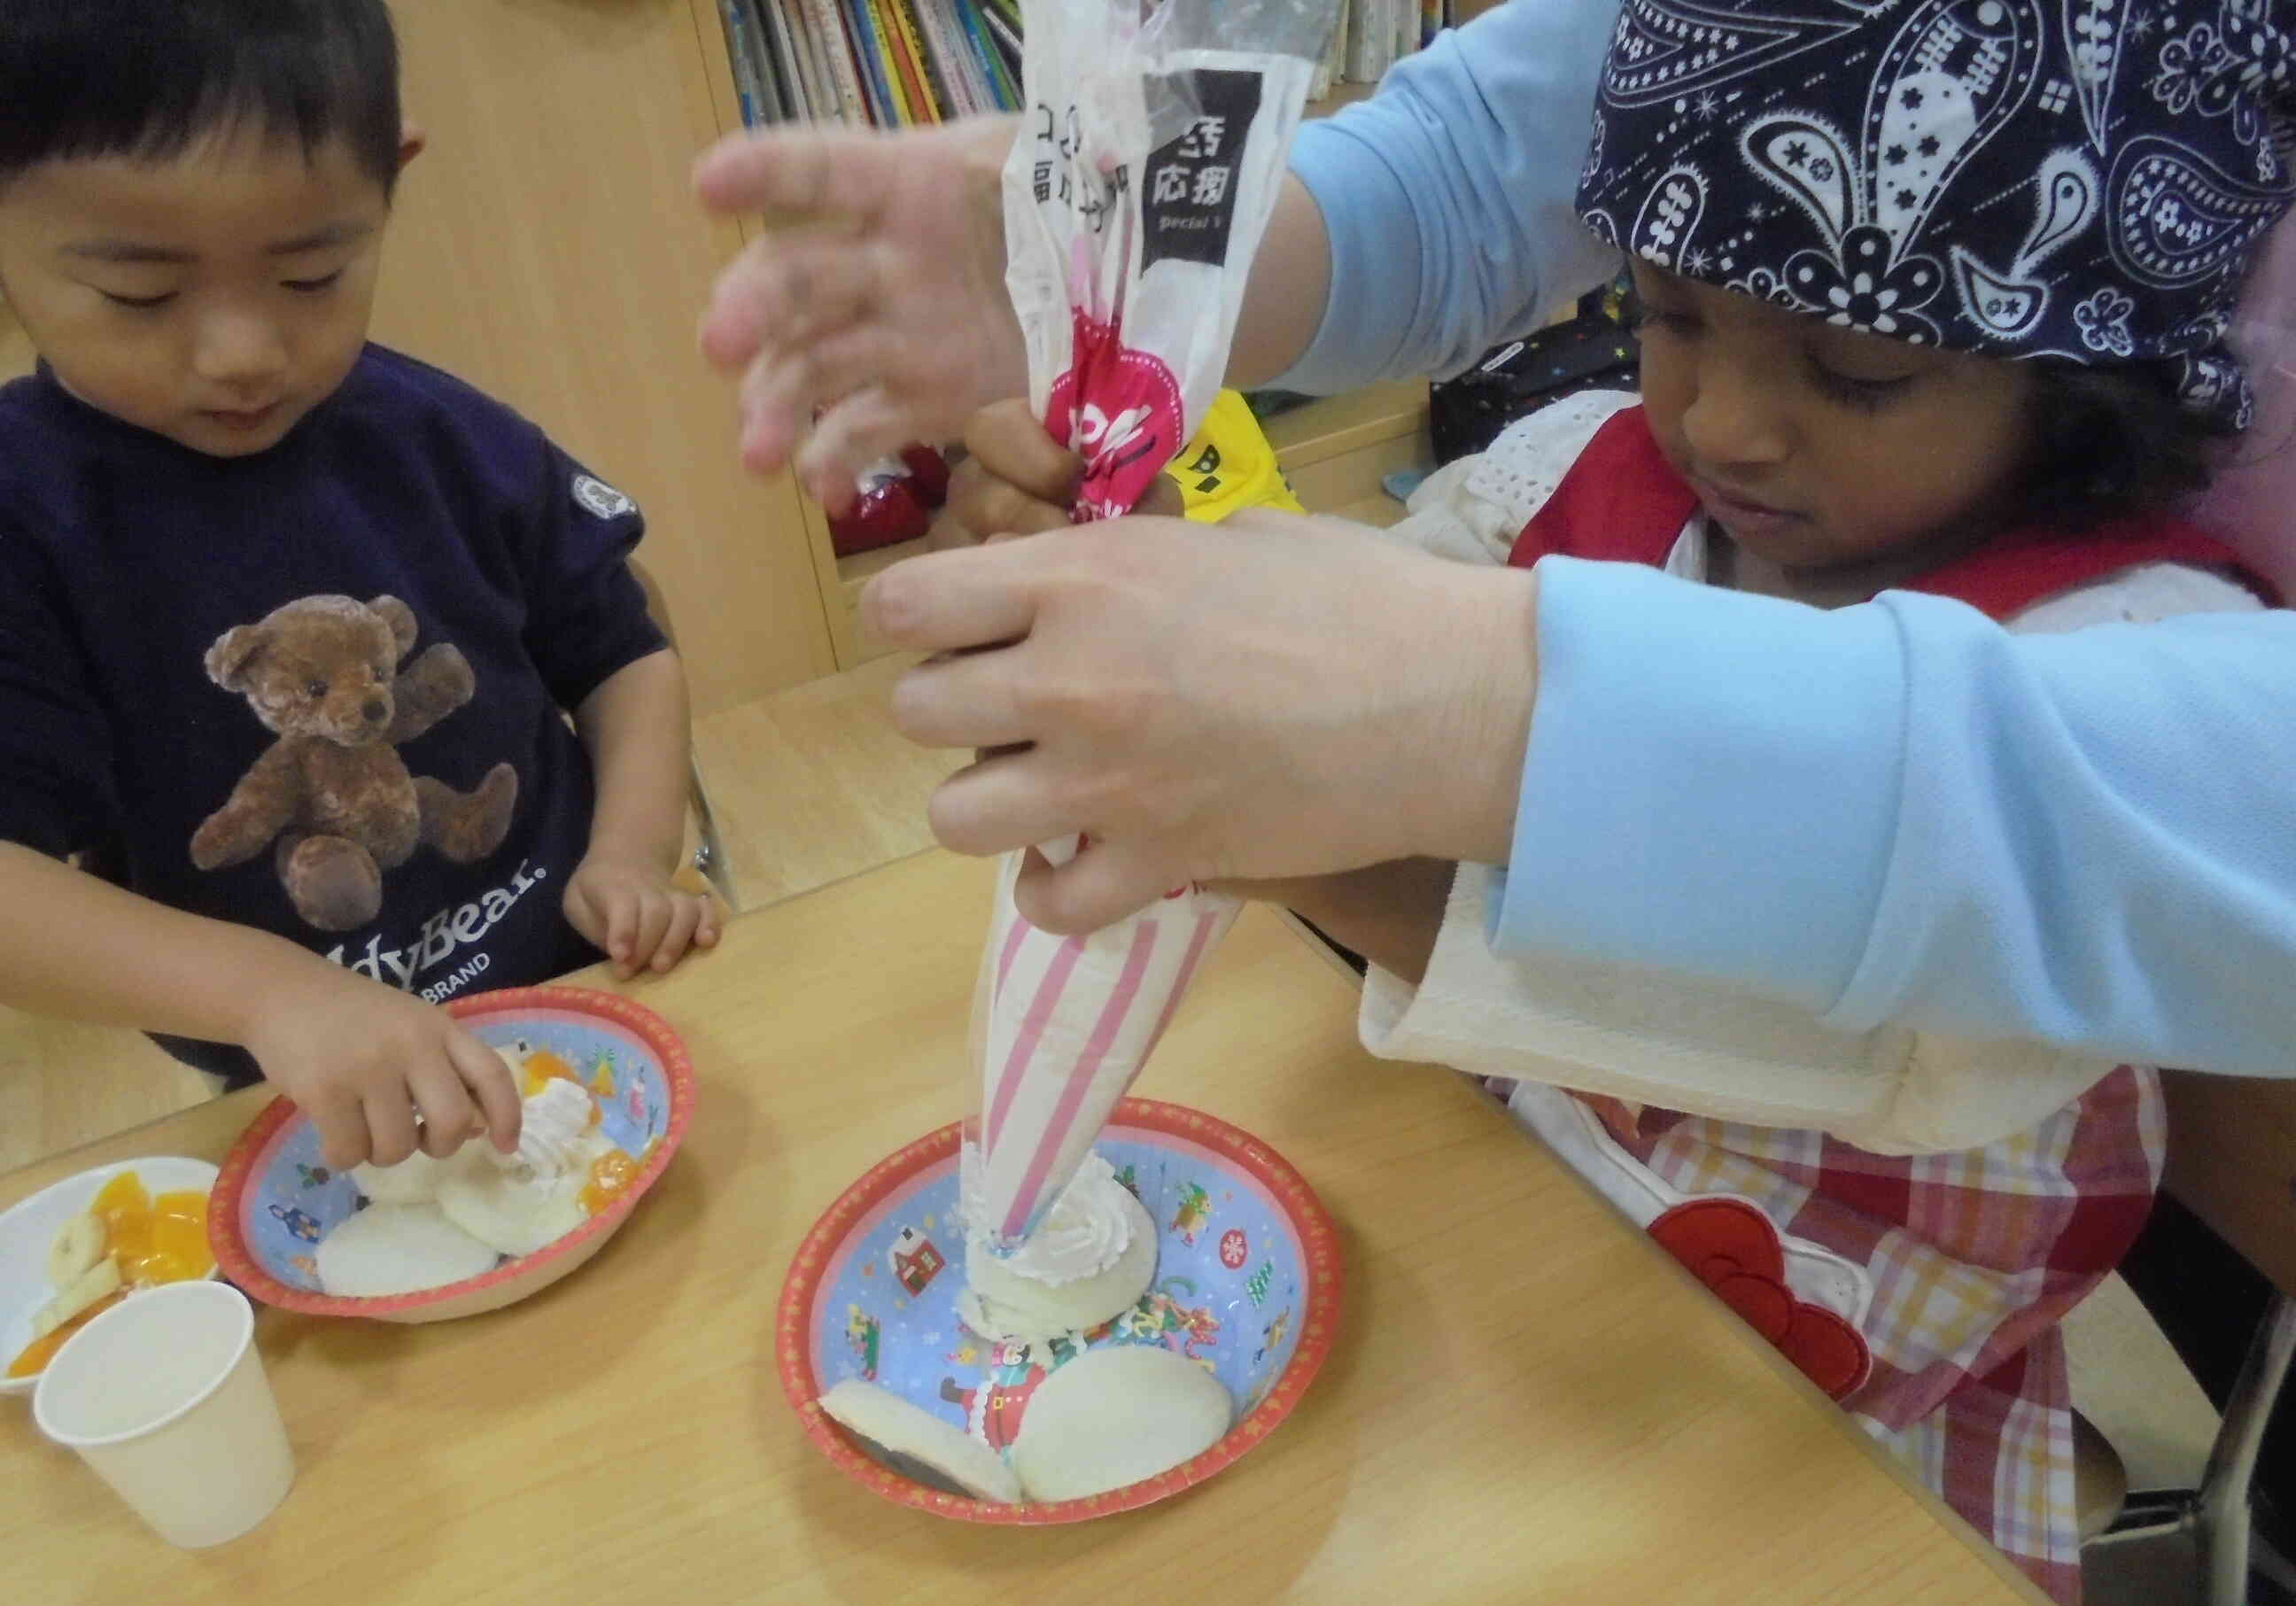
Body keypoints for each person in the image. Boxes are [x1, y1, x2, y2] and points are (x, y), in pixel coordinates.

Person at [693, 0, 2296, 1080]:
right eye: (1661, 316)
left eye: (1860, 374)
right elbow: (1471, 168)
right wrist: (1136, 295)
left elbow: (1881, 1041)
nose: (1724, 426)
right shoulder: (1571, 476)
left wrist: (1480, 724)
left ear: (2086, 396)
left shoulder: (2123, 643)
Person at [0, 0, 723, 1171]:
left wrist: (632, 853)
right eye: (142, 293)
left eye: (312, 273)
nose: (243, 351)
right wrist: (271, 994)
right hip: (314, 1096)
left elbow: (622, 648)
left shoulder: (433, 433)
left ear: (391, 176)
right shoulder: (29, 519)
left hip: (593, 993)